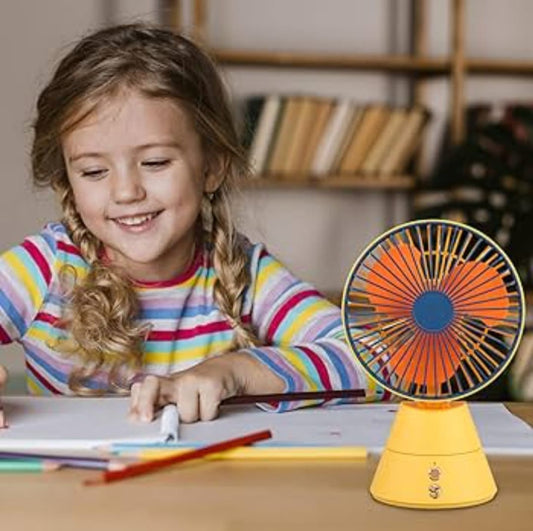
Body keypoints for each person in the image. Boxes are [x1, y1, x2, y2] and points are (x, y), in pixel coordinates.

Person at [0, 23, 384, 427]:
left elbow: (377, 360)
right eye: (94, 171)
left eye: (155, 163)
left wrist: (234, 372)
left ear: (212, 168)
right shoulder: (43, 269)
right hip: (67, 488)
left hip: (204, 487)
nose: (126, 191)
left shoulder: (244, 274)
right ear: (68, 180)